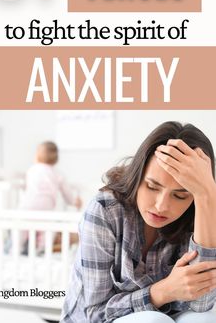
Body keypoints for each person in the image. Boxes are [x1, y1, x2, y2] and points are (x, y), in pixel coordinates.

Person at [61, 121, 216, 323]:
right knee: (153, 321)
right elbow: (95, 314)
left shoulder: (200, 210)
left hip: (165, 316)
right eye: (152, 186)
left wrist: (207, 195)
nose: (161, 206)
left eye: (180, 196)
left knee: (202, 319)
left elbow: (201, 303)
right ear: (138, 175)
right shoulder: (106, 210)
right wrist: (164, 290)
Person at [20, 141, 82, 252]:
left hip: (28, 207)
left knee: (22, 229)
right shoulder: (57, 173)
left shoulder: (32, 170)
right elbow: (66, 193)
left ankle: (15, 248)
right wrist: (74, 201)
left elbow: (25, 188)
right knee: (47, 230)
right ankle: (40, 249)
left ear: (37, 155)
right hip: (46, 209)